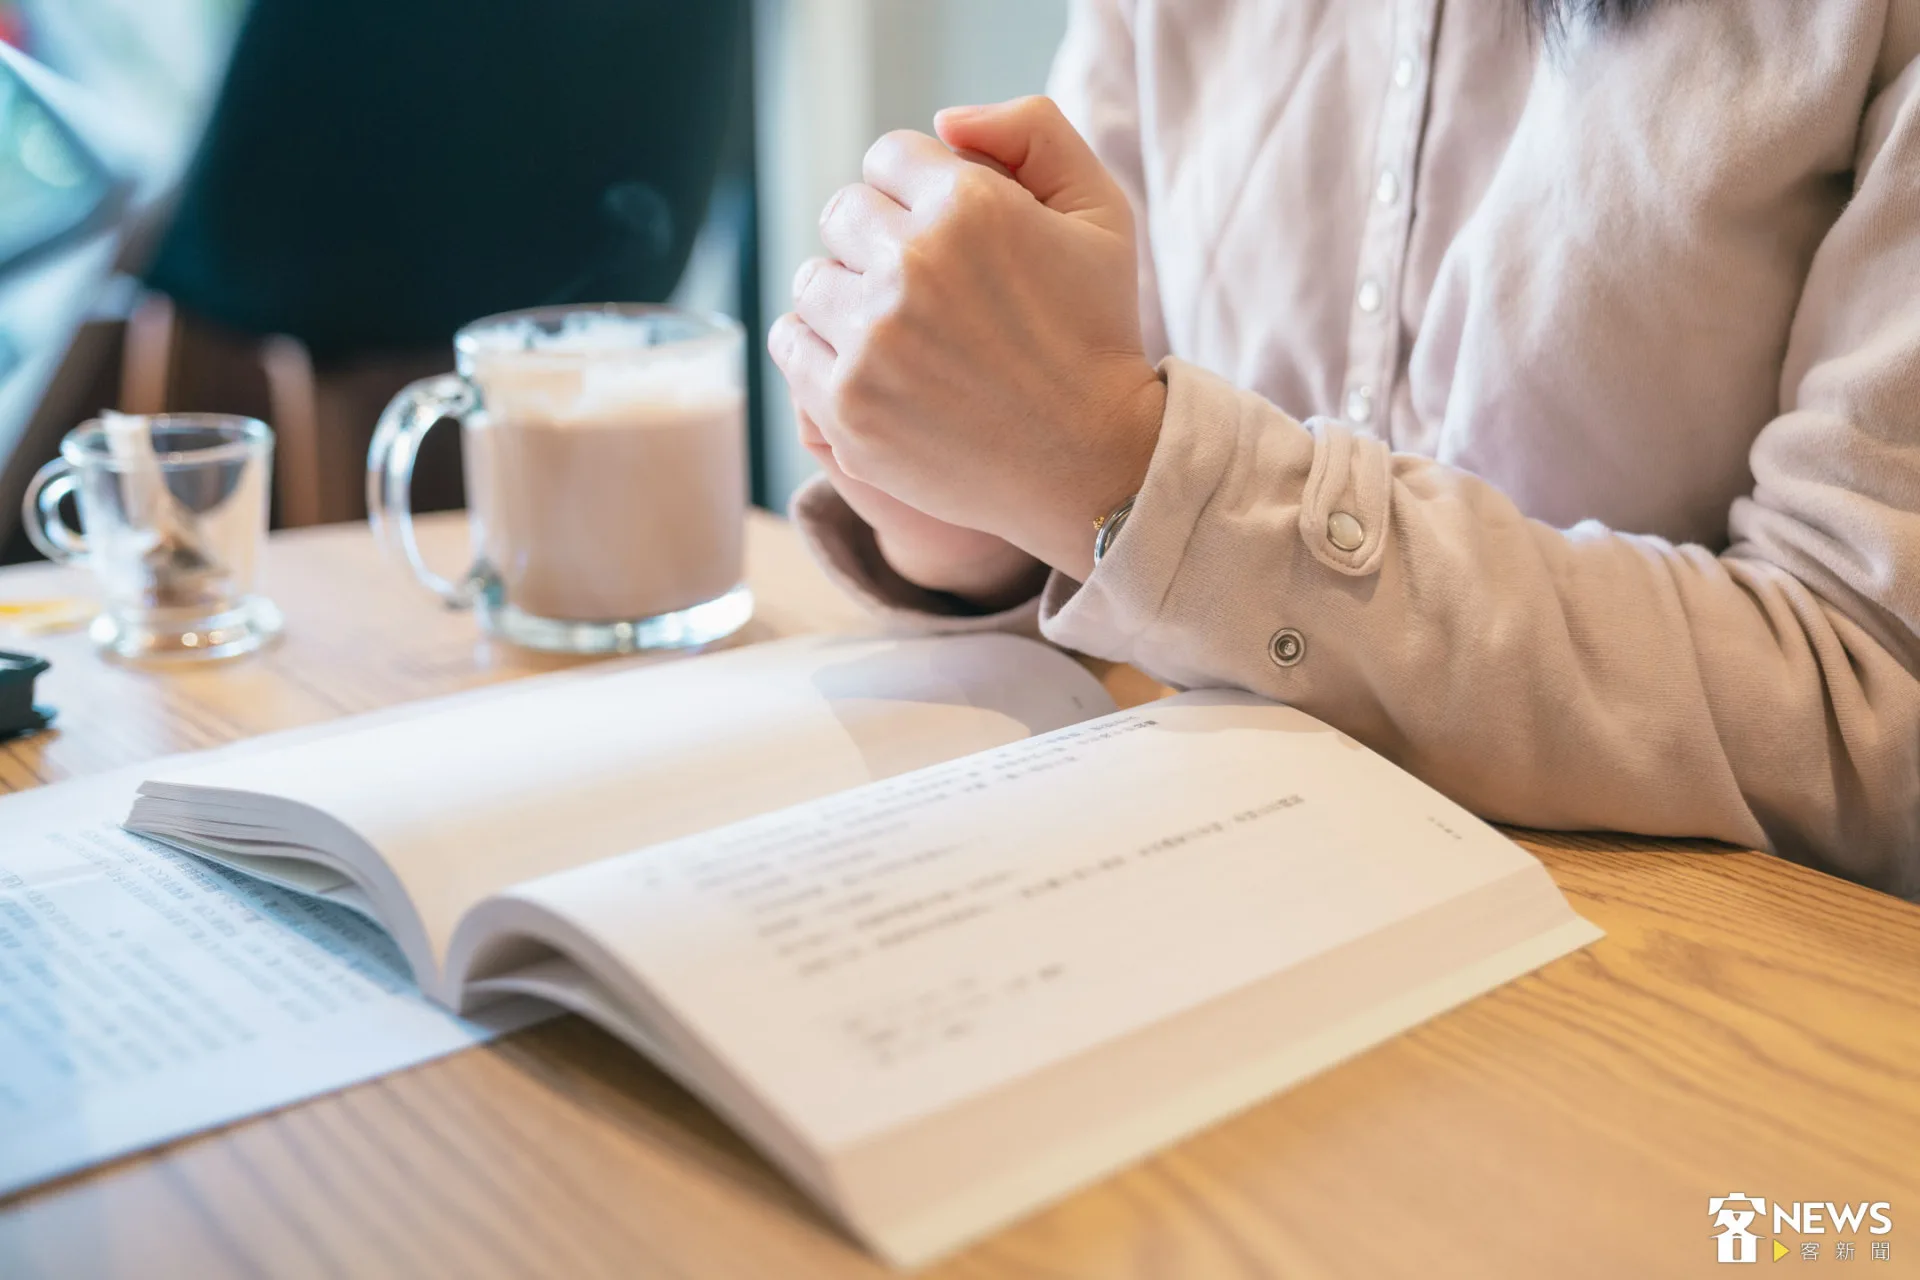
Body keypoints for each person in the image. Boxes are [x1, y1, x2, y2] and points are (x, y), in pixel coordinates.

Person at [769, 0, 1920, 896]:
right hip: (1199, 891)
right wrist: (983, 521)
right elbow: (1104, 472)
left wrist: (1116, 466)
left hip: (1676, 980)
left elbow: (1872, 713)